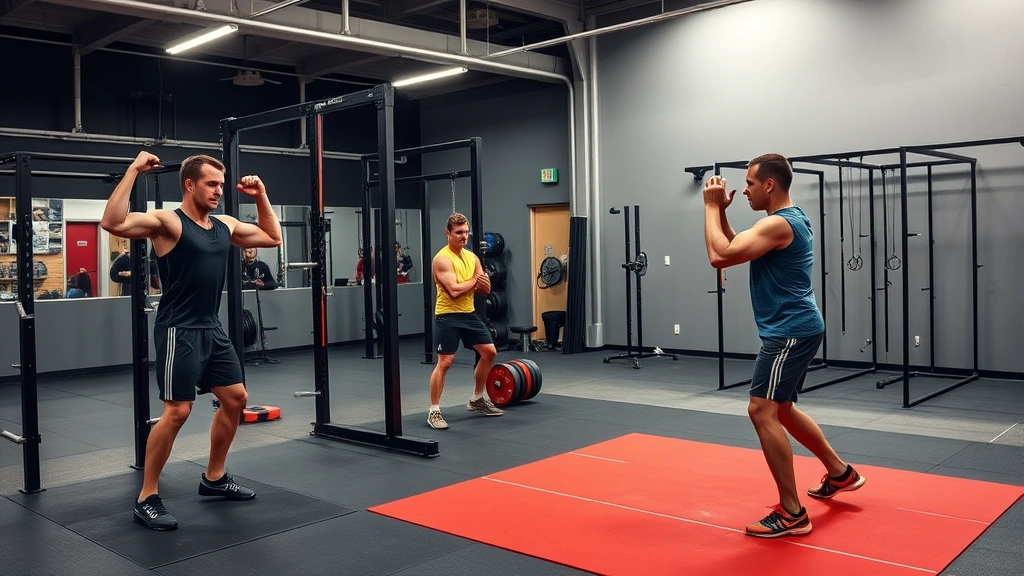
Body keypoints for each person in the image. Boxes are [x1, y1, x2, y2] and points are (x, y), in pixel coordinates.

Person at [101, 151, 281, 531]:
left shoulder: (225, 225)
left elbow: (271, 237)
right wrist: (133, 169)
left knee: (235, 398)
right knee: (178, 411)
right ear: (190, 184)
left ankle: (214, 477)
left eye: (220, 184)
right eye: (211, 184)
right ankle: (147, 495)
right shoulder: (168, 222)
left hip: (211, 328)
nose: (218, 191)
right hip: (177, 329)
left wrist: (261, 194)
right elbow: (112, 222)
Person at [702, 153, 865, 538]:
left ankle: (792, 513)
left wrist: (709, 208)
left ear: (769, 185)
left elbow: (718, 256)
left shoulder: (777, 225)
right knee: (784, 409)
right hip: (801, 327)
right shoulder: (790, 218)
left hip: (789, 332)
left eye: (750, 184)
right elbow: (734, 246)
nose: (744, 190)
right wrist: (721, 214)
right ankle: (841, 473)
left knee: (761, 411)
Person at [427, 213, 502, 430]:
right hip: (447, 316)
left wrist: (480, 283)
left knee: (489, 352)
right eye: (459, 232)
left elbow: (485, 290)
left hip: (468, 314)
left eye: (466, 232)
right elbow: (453, 290)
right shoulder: (442, 259)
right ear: (448, 234)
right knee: (445, 362)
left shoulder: (473, 258)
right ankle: (434, 411)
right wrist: (474, 281)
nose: (464, 236)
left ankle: (477, 399)